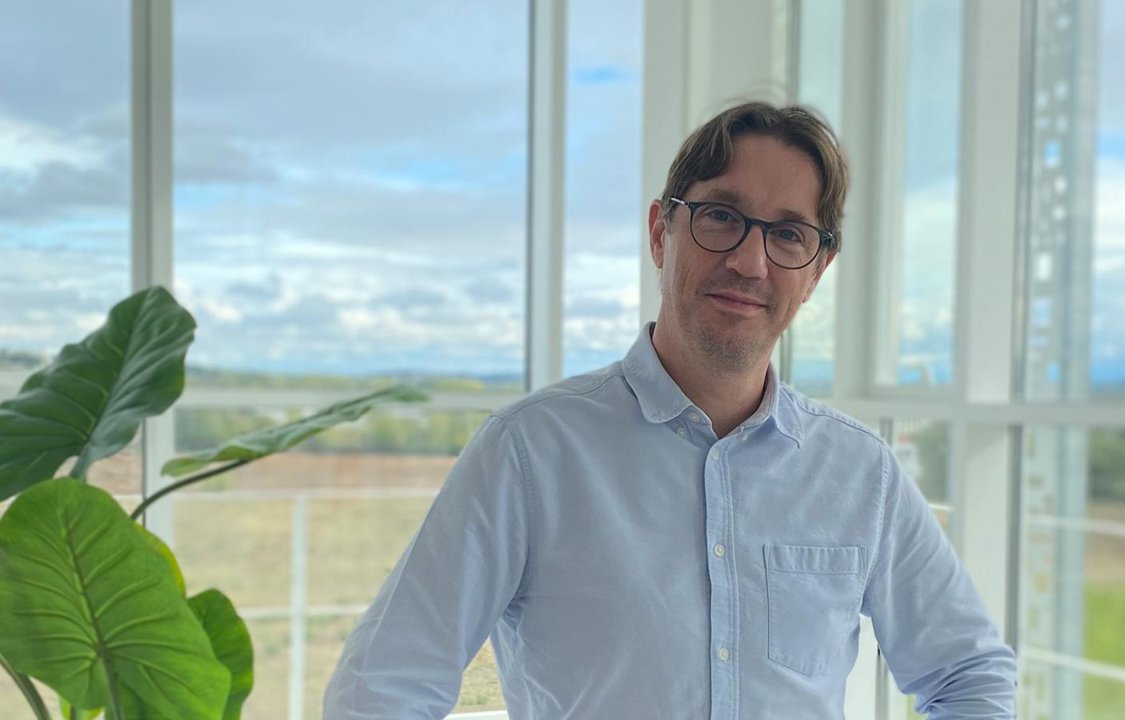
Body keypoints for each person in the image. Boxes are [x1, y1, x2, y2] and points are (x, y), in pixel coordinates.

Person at [324, 102, 1017, 719]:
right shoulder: (531, 451)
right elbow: (381, 687)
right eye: (721, 217)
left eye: (787, 235)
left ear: (815, 272)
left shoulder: (859, 471)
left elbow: (970, 675)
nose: (750, 262)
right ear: (662, 232)